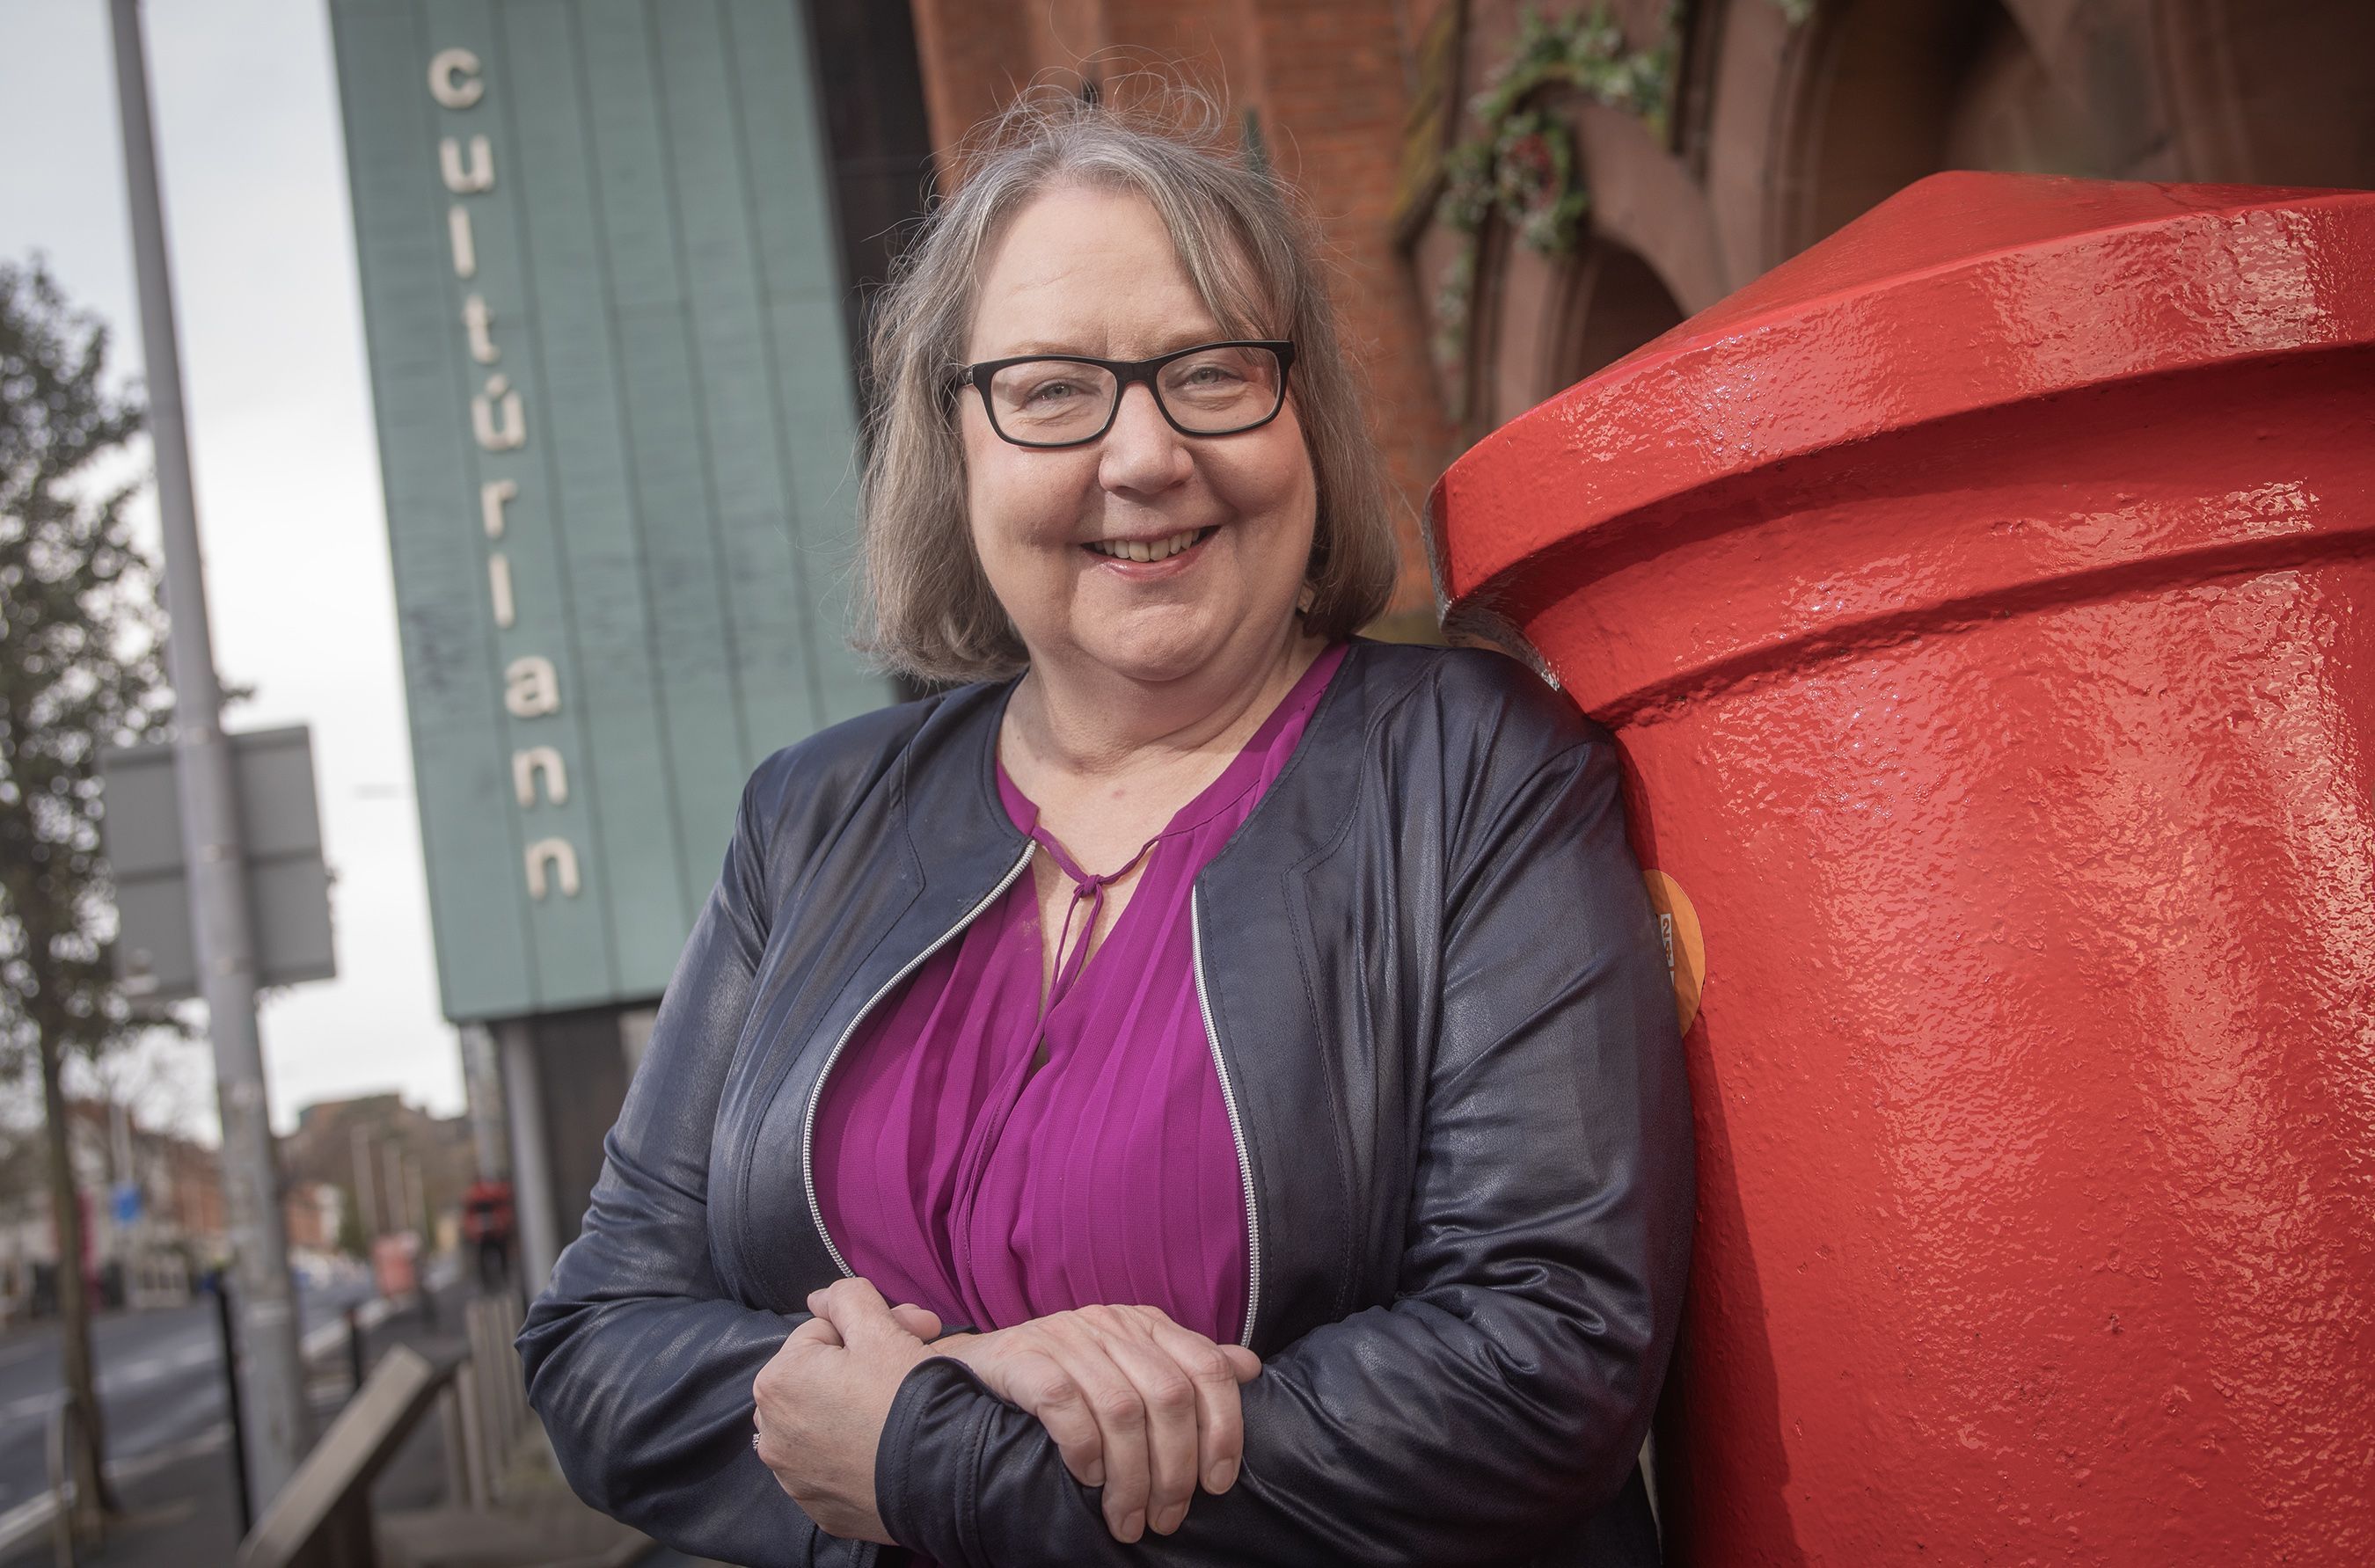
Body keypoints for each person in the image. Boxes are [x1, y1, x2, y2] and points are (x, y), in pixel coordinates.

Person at [517, 85, 1692, 1568]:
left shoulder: (1474, 767)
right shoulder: (808, 820)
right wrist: (965, 1395)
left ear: (1302, 419)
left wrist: (933, 1450)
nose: (1144, 457)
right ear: (957, 448)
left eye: (1211, 373)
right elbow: (598, 1342)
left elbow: (1548, 1358)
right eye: (1054, 390)